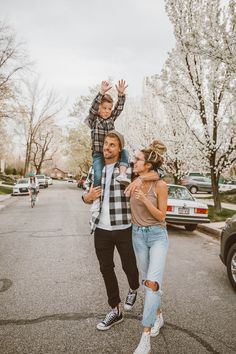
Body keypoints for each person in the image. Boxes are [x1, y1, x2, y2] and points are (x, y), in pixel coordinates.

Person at [82, 130, 139, 331]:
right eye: (106, 143)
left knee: (129, 266)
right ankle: (115, 310)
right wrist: (86, 198)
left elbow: (157, 173)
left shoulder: (128, 168)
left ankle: (133, 287)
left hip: (124, 228)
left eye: (112, 144)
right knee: (106, 269)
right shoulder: (95, 168)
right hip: (101, 229)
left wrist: (137, 181)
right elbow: (86, 194)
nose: (107, 147)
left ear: (119, 149)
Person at [129, 140, 169, 354]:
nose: (133, 161)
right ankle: (158, 315)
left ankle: (145, 337)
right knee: (148, 283)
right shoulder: (133, 179)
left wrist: (144, 199)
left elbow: (162, 216)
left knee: (153, 283)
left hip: (157, 236)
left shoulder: (160, 185)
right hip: (138, 237)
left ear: (148, 165)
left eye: (137, 159)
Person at [84, 80, 130, 212]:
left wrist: (121, 95)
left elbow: (119, 108)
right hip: (99, 153)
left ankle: (122, 174)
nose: (107, 111)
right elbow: (92, 108)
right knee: (98, 175)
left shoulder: (111, 119)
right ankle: (97, 199)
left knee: (125, 152)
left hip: (112, 153)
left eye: (109, 108)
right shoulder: (94, 120)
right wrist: (101, 92)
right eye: (104, 108)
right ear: (99, 108)